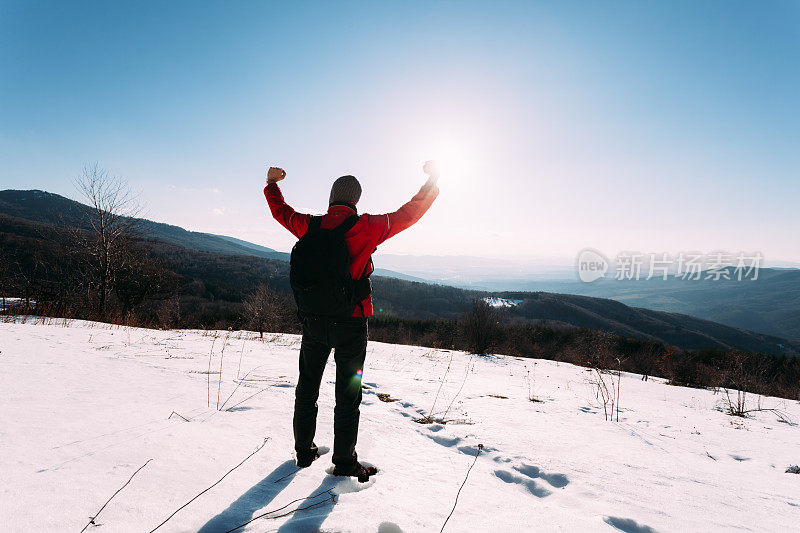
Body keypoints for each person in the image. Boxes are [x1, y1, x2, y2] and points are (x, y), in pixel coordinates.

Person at [264, 162, 439, 481]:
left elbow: (281, 212)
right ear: (355, 200)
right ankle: (345, 461)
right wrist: (433, 180)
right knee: (348, 394)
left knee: (307, 388)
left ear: (331, 199)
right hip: (351, 324)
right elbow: (410, 213)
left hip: (314, 322)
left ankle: (304, 451)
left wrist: (271, 183)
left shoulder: (310, 226)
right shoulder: (369, 226)